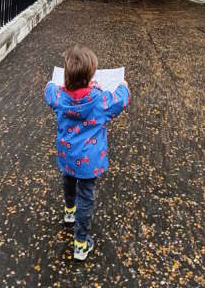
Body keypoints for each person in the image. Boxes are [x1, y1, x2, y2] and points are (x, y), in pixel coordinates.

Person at [44, 45, 130, 261]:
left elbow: (49, 91)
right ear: (91, 75)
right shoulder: (100, 101)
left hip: (67, 155)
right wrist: (123, 86)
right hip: (90, 161)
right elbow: (121, 99)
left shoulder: (60, 98)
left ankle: (69, 211)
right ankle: (81, 242)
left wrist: (52, 82)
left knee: (68, 181)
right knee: (86, 196)